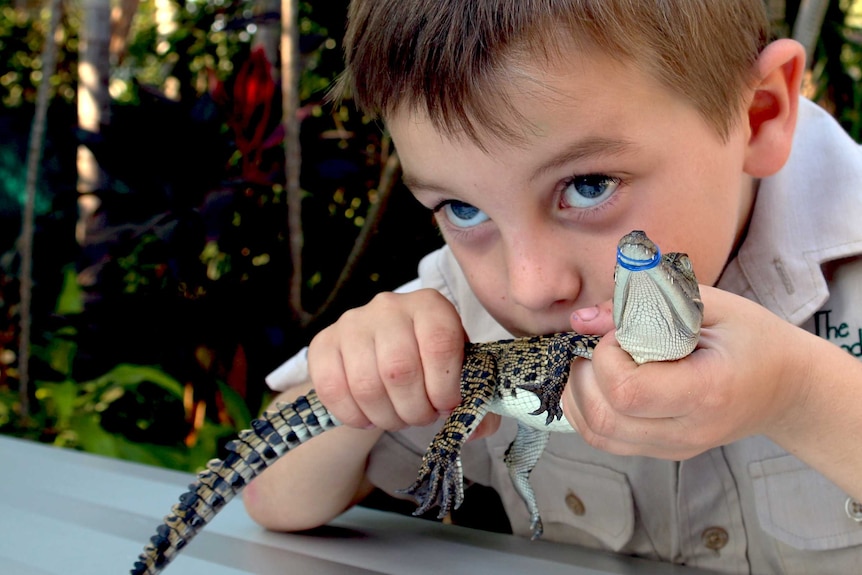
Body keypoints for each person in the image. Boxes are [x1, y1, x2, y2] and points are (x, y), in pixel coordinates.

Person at [243, 1, 862, 572]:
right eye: (462, 209)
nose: (530, 286)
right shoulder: (464, 303)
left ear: (757, 116)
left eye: (589, 184)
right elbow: (275, 497)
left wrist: (800, 395)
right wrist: (366, 381)